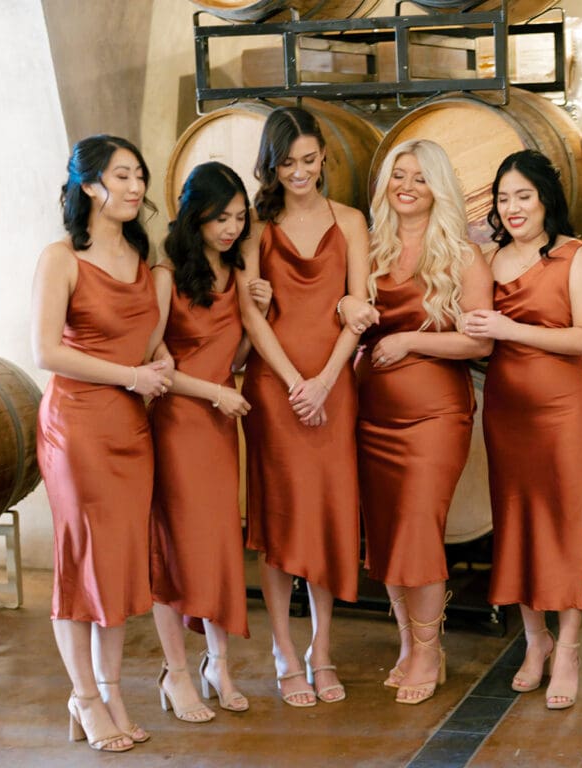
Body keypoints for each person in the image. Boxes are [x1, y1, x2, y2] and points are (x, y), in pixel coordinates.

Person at [32, 135, 173, 752]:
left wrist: (157, 365)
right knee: (80, 563)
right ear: (90, 186)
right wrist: (132, 377)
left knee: (117, 566)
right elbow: (47, 351)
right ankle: (84, 697)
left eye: (139, 175)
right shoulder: (60, 256)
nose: (136, 187)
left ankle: (111, 690)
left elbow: (146, 343)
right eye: (123, 176)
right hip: (78, 429)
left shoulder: (141, 258)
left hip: (130, 428)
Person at [344, 139, 492, 705]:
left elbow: (479, 338)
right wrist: (342, 308)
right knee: (385, 534)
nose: (406, 185)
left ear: (439, 190)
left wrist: (408, 339)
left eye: (420, 178)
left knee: (418, 530)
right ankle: (409, 644)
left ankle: (430, 650)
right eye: (398, 175)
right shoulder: (371, 246)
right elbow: (344, 306)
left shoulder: (462, 255)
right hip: (372, 412)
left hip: (434, 414)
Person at [460, 149, 582, 710]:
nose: (513, 207)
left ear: (546, 198)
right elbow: (474, 325)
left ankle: (567, 647)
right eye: (503, 198)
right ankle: (534, 640)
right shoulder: (488, 259)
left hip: (564, 409)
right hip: (507, 411)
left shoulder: (575, 257)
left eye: (524, 196)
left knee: (567, 521)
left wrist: (508, 327)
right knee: (516, 520)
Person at [237, 106, 370, 707]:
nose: (300, 172)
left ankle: (322, 650)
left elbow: (358, 307)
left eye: (310, 160)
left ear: (324, 159)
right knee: (281, 521)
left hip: (334, 386)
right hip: (275, 390)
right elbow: (249, 316)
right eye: (287, 162)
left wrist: (323, 382)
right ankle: (285, 653)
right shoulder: (256, 230)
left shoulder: (352, 221)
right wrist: (296, 383)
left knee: (326, 514)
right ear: (272, 164)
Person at [147, 162, 272, 723]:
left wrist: (257, 317)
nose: (230, 228)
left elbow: (238, 357)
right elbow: (151, 366)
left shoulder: (238, 267)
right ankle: (176, 673)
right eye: (220, 217)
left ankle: (218, 664)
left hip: (221, 422)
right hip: (178, 422)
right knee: (178, 549)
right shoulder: (165, 273)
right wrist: (213, 394)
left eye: (239, 218)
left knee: (222, 542)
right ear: (194, 213)